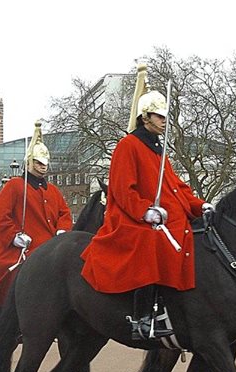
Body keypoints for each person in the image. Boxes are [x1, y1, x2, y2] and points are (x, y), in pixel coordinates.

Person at [80, 64, 209, 340]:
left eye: (164, 116)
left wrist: (200, 206)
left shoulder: (159, 150)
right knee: (150, 243)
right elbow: (123, 190)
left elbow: (177, 189)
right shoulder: (128, 146)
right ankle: (142, 317)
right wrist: (146, 212)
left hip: (164, 218)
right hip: (132, 219)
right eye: (159, 116)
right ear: (145, 117)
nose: (164, 120)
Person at [0, 121, 73, 324]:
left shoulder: (53, 191)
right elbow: (0, 215)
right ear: (29, 163)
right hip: (22, 245)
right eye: (39, 163)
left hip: (49, 244)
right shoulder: (15, 186)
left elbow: (64, 213)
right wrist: (14, 236)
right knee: (15, 271)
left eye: (45, 163)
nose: (43, 167)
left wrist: (63, 230)